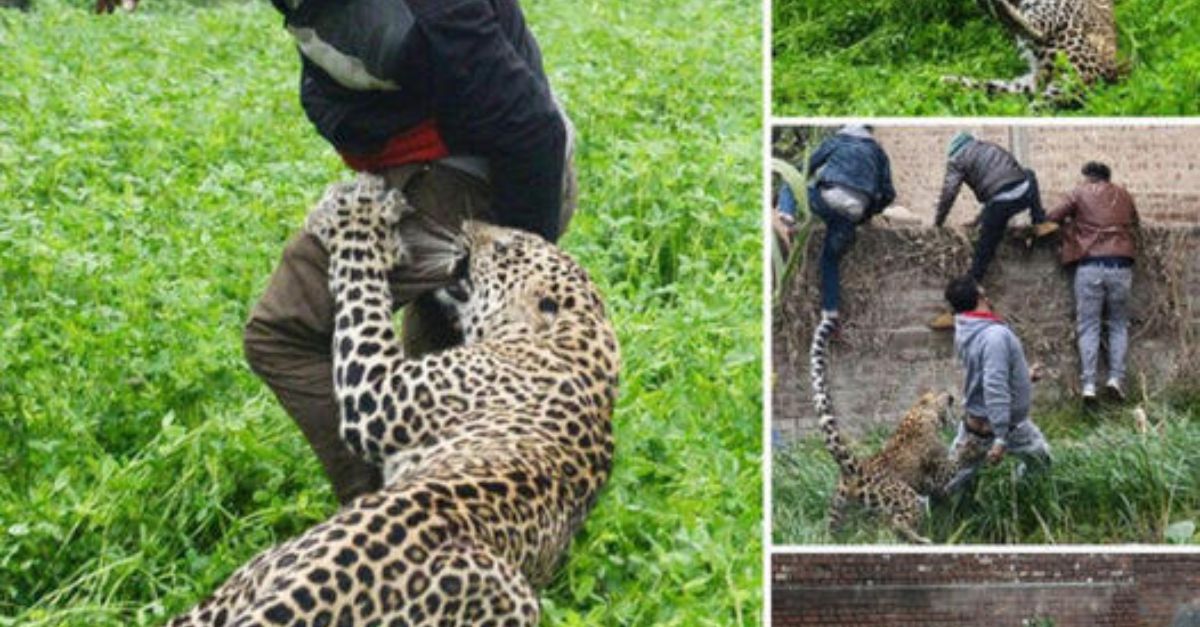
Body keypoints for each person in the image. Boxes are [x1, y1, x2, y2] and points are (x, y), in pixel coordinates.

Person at [242, 0, 577, 505]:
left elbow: (531, 128)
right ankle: (455, 511)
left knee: (283, 331)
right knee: (440, 394)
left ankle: (399, 515)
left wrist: (513, 290)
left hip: (491, 177)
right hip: (458, 161)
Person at [942, 276, 1052, 494]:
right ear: (981, 296)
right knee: (1040, 463)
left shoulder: (966, 328)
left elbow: (984, 372)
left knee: (947, 481)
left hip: (977, 423)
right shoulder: (994, 336)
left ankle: (928, 508)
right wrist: (1001, 437)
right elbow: (994, 385)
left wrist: (1023, 377)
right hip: (1001, 425)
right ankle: (1021, 496)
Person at [1047, 161, 1139, 402]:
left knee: (1089, 325)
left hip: (1090, 264)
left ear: (1089, 177)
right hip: (1121, 264)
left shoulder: (1080, 192)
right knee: (1118, 324)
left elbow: (1053, 216)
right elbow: (1135, 222)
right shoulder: (1124, 195)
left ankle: (1089, 385)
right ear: (1107, 177)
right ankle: (1115, 379)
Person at [802, 125, 895, 323]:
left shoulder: (838, 141)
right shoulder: (878, 152)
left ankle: (784, 214)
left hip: (829, 200)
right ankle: (830, 312)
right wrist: (867, 214)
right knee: (830, 259)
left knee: (791, 183)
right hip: (854, 212)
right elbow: (888, 194)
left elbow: (805, 168)